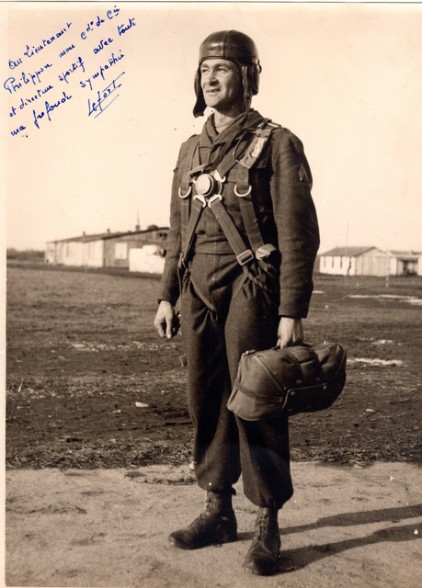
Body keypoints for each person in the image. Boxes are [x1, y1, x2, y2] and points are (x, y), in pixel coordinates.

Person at [154, 30, 320, 576]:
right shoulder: (189, 150)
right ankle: (217, 508)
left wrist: (292, 310)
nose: (211, 77)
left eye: (223, 68)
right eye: (204, 69)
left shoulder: (278, 143)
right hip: (197, 291)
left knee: (256, 400)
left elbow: (298, 236)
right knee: (205, 397)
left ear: (247, 77)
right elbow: (177, 233)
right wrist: (166, 296)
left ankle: (267, 520)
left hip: (253, 288)